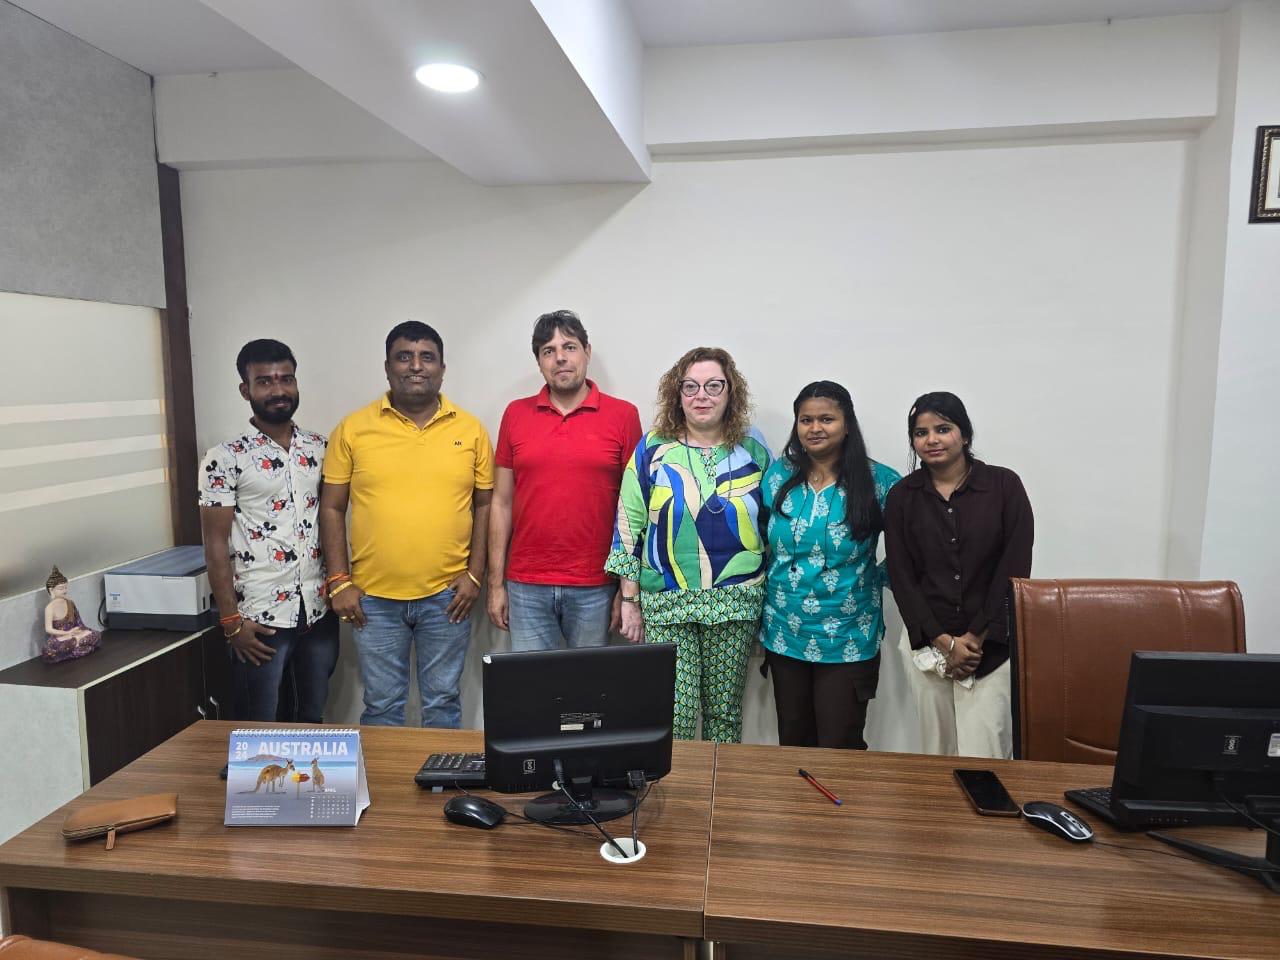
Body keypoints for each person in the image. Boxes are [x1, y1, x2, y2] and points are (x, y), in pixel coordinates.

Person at [319, 320, 493, 728]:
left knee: (443, 704)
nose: (416, 366)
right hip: (372, 600)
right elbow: (331, 508)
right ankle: (386, 774)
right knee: (382, 706)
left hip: (448, 597)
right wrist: (339, 581)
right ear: (387, 367)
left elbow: (486, 504)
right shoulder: (353, 429)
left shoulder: (470, 430)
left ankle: (440, 774)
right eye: (404, 357)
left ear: (442, 369)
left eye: (426, 357)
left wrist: (475, 575)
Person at [608, 346, 770, 743]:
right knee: (674, 716)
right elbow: (628, 523)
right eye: (691, 386)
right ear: (677, 393)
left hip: (736, 603)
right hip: (667, 603)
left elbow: (772, 525)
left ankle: (721, 783)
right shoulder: (653, 448)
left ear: (730, 392)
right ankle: (678, 786)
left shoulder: (753, 449)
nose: (702, 396)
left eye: (714, 386)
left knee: (724, 719)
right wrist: (629, 600)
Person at [883, 391, 1033, 759]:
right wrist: (943, 641)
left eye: (943, 429)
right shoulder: (902, 496)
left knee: (986, 754)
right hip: (927, 643)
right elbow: (902, 575)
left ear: (964, 434)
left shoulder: (1004, 487)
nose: (931, 440)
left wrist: (973, 637)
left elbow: (1014, 568)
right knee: (937, 753)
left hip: (990, 647)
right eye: (921, 433)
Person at [199, 338, 338, 723]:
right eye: (265, 381)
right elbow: (214, 544)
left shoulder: (321, 448)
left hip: (318, 612)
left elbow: (334, 518)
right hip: (259, 619)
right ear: (245, 390)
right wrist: (231, 622)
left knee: (311, 718)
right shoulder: (224, 458)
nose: (278, 390)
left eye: (286, 379)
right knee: (258, 724)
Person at [487, 310, 642, 650]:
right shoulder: (515, 414)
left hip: (596, 584)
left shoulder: (624, 416)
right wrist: (495, 584)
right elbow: (501, 503)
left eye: (569, 347)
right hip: (526, 584)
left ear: (587, 351)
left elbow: (634, 510)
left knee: (587, 684)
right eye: (548, 350)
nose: (560, 357)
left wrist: (627, 590)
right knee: (531, 682)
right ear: (539, 361)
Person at [761, 382, 901, 749]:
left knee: (839, 746)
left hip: (849, 636)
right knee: (793, 741)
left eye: (827, 419)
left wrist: (874, 579)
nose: (815, 428)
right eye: (806, 420)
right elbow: (761, 540)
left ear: (847, 423)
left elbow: (909, 551)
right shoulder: (778, 476)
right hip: (784, 633)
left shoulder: (880, 482)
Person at [42, 565, 101, 663]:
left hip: (74, 635)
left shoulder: (70, 603)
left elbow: (79, 623)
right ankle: (78, 646)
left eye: (65, 587)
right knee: (48, 650)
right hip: (61, 638)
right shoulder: (49, 608)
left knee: (96, 635)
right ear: (52, 590)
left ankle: (74, 646)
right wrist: (67, 633)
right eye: (61, 588)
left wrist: (79, 630)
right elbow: (48, 629)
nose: (65, 591)